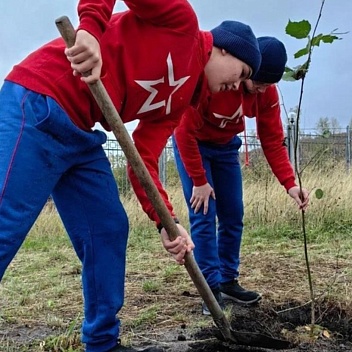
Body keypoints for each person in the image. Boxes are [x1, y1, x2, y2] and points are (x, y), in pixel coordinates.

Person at [0, 0, 263, 351]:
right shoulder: (181, 22)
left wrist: (166, 221)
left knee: (108, 228)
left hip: (80, 131)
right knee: (6, 223)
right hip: (39, 101)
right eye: (243, 73)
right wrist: (91, 32)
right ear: (222, 49)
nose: (239, 86)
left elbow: (143, 161)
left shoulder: (180, 104)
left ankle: (103, 342)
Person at [173, 36, 310, 315]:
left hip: (225, 149)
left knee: (233, 214)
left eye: (268, 86)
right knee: (203, 213)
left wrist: (290, 184)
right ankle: (210, 290)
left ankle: (227, 280)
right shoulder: (219, 79)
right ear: (248, 68)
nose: (261, 91)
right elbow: (182, 130)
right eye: (258, 83)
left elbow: (272, 139)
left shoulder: (266, 92)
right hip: (194, 145)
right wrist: (199, 180)